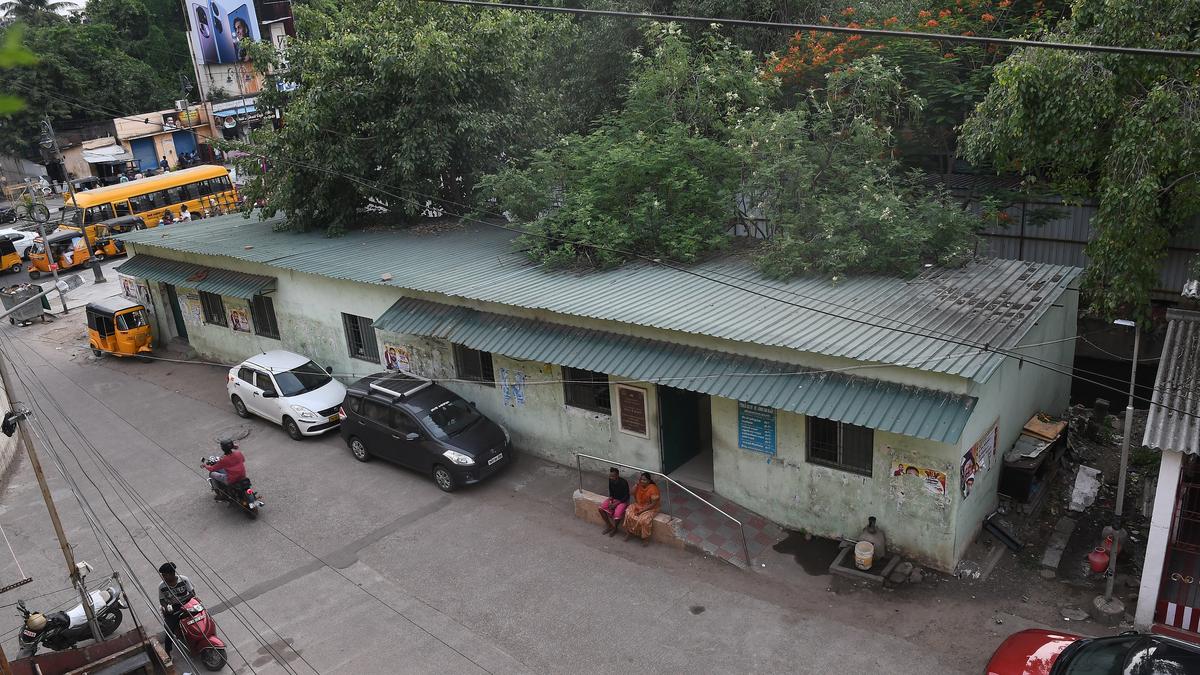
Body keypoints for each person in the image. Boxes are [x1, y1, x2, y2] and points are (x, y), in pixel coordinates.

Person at [623, 472, 661, 544]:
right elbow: (631, 493)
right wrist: (636, 484)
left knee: (644, 520)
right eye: (641, 480)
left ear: (649, 481)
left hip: (651, 508)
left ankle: (645, 538)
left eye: (645, 480)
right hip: (639, 505)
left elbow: (653, 504)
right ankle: (629, 532)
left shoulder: (653, 489)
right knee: (628, 512)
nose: (642, 481)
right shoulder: (638, 485)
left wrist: (641, 511)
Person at [158, 562, 195, 635]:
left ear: (172, 573)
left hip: (188, 603)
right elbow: (161, 600)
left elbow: (192, 593)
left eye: (165, 575)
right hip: (174, 608)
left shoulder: (184, 579)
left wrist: (182, 600)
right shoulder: (161, 586)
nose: (163, 577)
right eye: (162, 575)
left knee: (203, 614)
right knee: (169, 631)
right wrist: (167, 607)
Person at [598, 468, 630, 536]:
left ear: (617, 475)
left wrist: (616, 504)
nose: (611, 478)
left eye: (613, 476)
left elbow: (626, 496)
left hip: (622, 501)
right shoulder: (610, 480)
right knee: (601, 508)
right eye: (610, 476)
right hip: (614, 499)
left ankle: (615, 528)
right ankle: (609, 526)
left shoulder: (624, 482)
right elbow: (611, 491)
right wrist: (610, 499)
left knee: (617, 514)